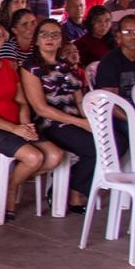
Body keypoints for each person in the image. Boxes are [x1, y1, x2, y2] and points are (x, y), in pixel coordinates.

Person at [0, 22, 63, 220]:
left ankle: (7, 184)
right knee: (34, 158)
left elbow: (22, 101)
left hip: (16, 127)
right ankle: (10, 192)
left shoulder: (8, 66)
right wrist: (15, 129)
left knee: (55, 156)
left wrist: (25, 124)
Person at [21, 19, 93, 211]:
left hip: (74, 120)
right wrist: (79, 123)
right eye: (44, 34)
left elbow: (79, 100)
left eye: (55, 35)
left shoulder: (66, 66)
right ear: (36, 40)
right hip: (50, 124)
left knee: (117, 141)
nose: (50, 39)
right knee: (95, 148)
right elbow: (41, 109)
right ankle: (75, 193)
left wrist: (88, 120)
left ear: (61, 40)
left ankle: (72, 184)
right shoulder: (31, 67)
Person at [93, 15, 135, 102]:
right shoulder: (109, 62)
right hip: (121, 113)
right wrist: (132, 116)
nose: (133, 36)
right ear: (119, 36)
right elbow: (110, 102)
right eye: (127, 32)